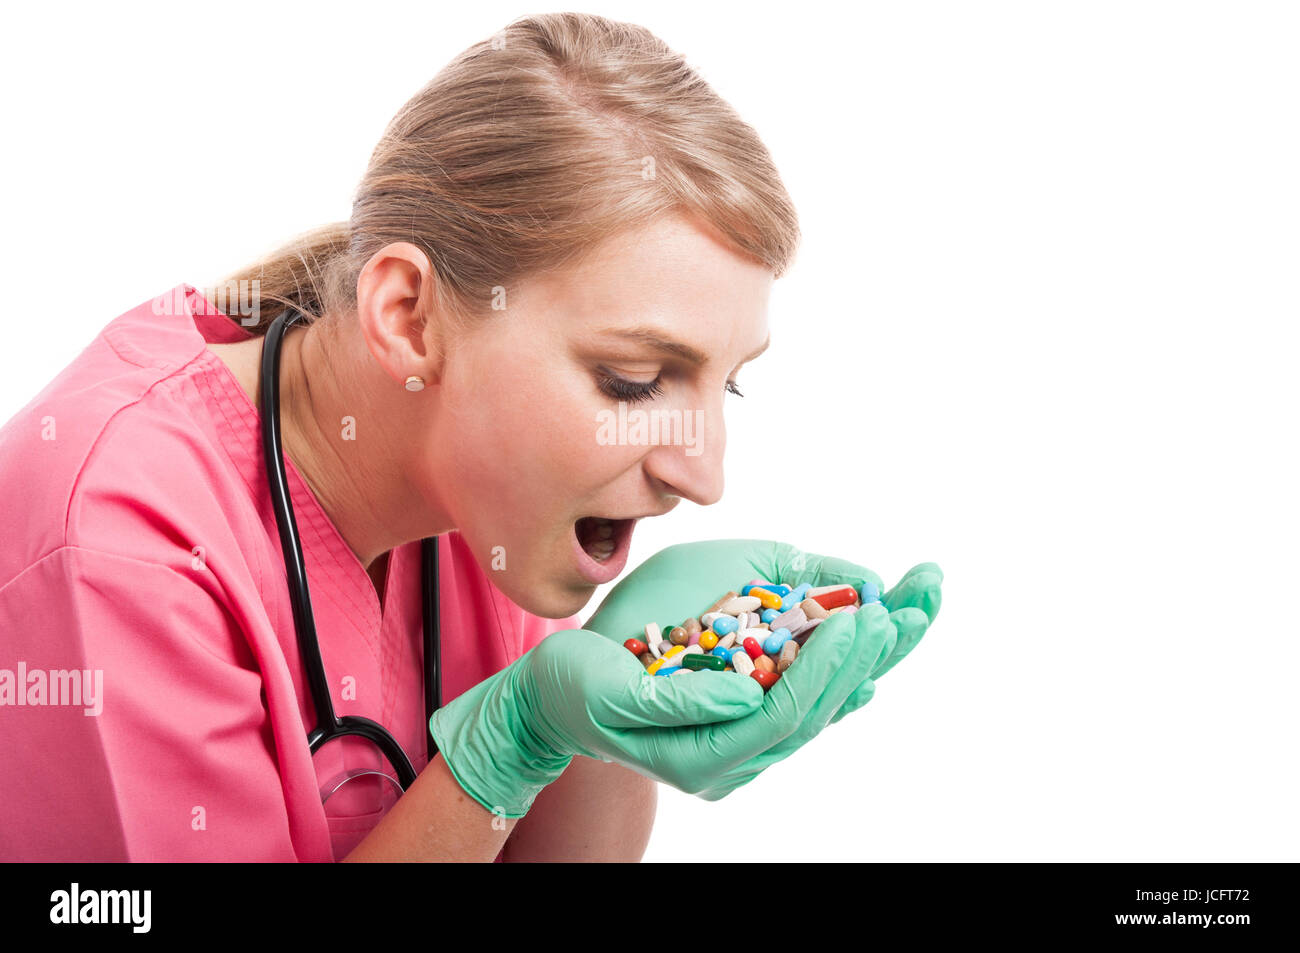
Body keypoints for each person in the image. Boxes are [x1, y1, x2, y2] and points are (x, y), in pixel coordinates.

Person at [0, 12, 941, 862]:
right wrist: (508, 743)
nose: (705, 475)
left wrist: (613, 706)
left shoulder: (483, 495)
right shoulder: (120, 543)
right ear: (409, 317)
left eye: (725, 381)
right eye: (635, 381)